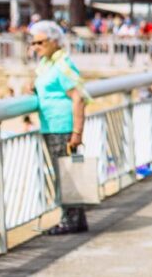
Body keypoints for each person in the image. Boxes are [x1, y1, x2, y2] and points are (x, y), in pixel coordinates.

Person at [29, 20, 90, 235]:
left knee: (65, 174)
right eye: (33, 43)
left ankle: (69, 220)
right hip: (51, 125)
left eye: (40, 42)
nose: (35, 47)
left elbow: (78, 97)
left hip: (61, 126)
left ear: (54, 41)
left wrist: (77, 132)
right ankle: (76, 219)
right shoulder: (48, 64)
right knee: (66, 172)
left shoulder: (62, 64)